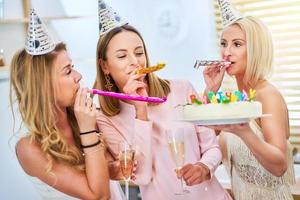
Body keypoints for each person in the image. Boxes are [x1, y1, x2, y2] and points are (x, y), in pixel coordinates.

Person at [93, 1, 232, 199]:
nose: (135, 61)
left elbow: (212, 147)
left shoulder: (181, 89)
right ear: (105, 66)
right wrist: (141, 112)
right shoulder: (106, 118)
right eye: (122, 56)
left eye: (139, 53)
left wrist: (204, 167)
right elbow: (141, 176)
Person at [10, 9, 125, 200]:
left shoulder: (86, 119)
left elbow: (107, 174)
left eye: (73, 67)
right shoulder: (29, 148)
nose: (78, 76)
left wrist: (111, 170)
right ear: (44, 86)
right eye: (67, 71)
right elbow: (99, 196)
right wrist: (87, 130)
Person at [202, 1, 295, 199]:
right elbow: (201, 140)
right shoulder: (235, 99)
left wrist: (244, 132)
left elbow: (279, 166)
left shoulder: (267, 95)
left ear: (255, 49)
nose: (226, 52)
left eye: (237, 44)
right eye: (223, 43)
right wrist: (210, 90)